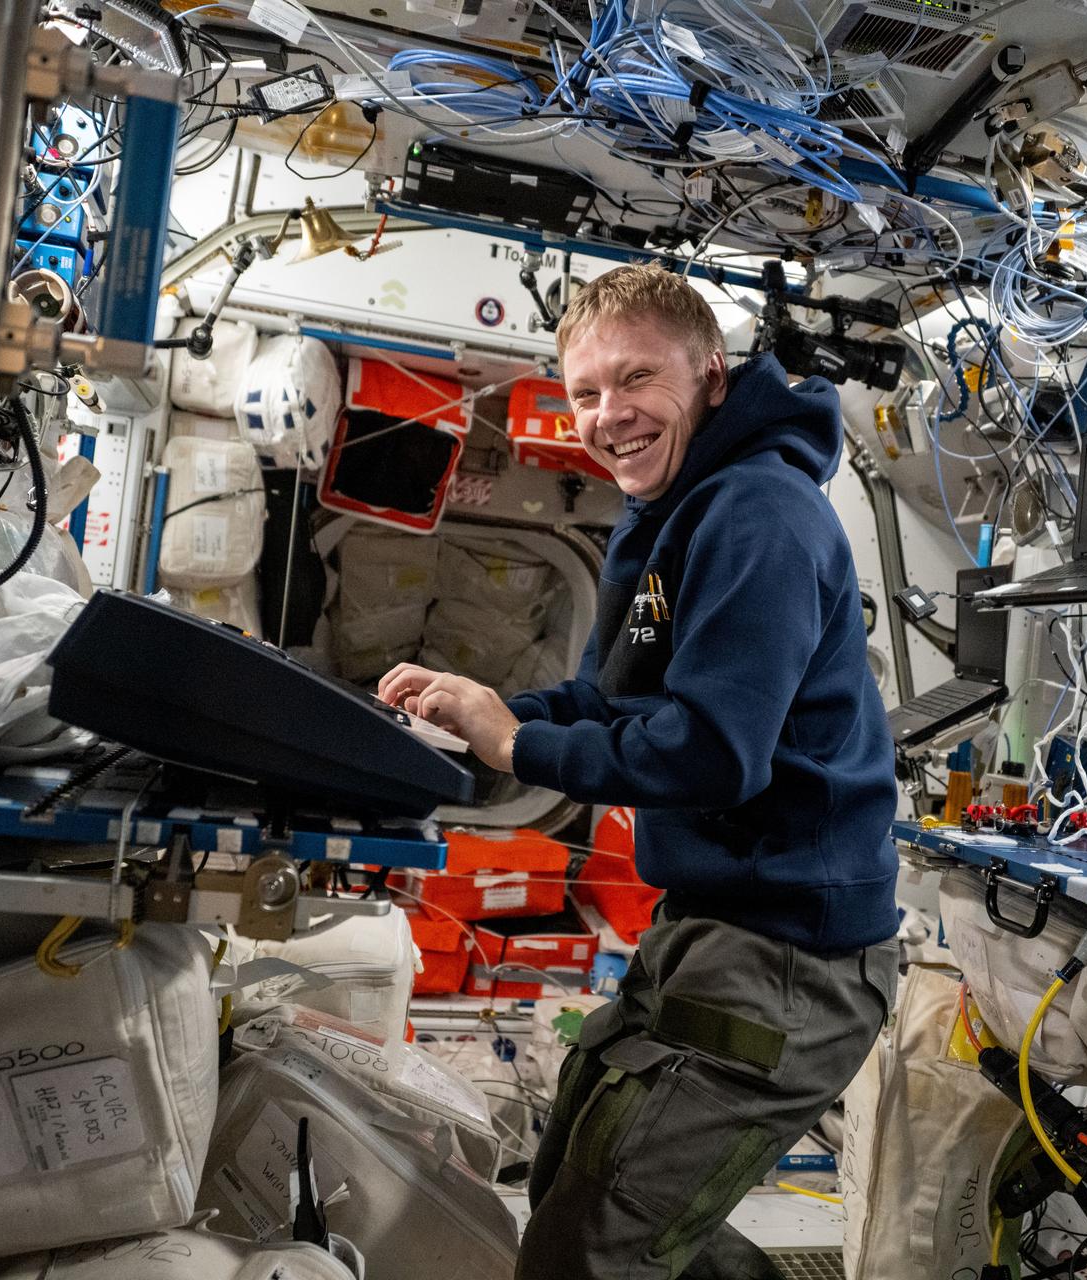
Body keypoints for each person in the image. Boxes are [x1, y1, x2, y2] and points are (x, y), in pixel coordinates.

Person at [378, 263, 899, 1280]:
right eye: (584, 392)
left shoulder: (759, 516)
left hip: (790, 959)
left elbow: (713, 751)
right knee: (573, 1180)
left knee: (585, 1253)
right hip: (712, 930)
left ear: (710, 374)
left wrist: (516, 745)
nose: (608, 415)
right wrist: (472, 708)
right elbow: (609, 700)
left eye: (635, 380)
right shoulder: (670, 511)